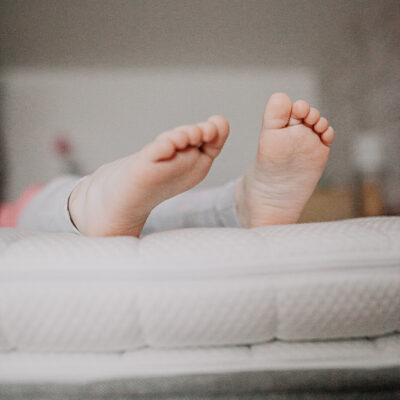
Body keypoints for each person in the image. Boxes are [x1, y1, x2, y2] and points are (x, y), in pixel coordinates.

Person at [0, 92, 334, 237]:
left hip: (19, 210)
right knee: (46, 207)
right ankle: (91, 198)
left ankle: (242, 203)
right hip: (24, 214)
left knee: (152, 215)